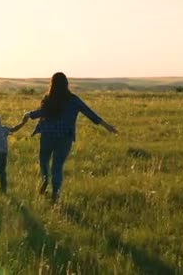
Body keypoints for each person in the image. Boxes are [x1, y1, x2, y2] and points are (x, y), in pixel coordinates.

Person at [25, 72, 117, 202]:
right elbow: (89, 113)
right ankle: (55, 193)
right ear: (66, 84)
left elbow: (41, 112)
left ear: (52, 84)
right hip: (65, 137)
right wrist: (106, 125)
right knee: (57, 166)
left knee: (44, 160)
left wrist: (29, 114)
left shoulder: (48, 98)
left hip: (47, 135)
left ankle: (45, 179)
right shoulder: (74, 100)